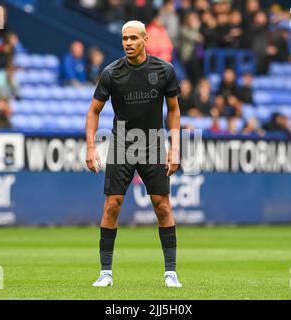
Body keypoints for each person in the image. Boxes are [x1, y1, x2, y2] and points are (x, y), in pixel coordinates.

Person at [86, 20, 182, 288]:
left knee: (162, 205)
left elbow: (173, 110)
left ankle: (171, 273)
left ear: (145, 40)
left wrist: (175, 146)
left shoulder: (164, 71)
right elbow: (93, 112)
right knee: (112, 204)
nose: (128, 43)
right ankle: (105, 272)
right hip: (122, 144)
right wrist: (91, 146)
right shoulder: (111, 72)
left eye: (133, 38)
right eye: (124, 39)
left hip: (152, 143)